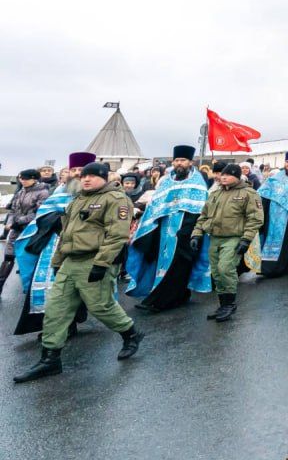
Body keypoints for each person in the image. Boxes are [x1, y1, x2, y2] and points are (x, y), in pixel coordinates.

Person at [14, 162, 144, 383]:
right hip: (70, 262)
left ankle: (130, 334)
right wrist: (57, 261)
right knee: (56, 308)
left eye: (93, 176)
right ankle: (50, 360)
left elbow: (117, 236)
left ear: (104, 178)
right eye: (84, 175)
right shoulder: (77, 200)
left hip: (94, 260)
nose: (86, 179)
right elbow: (66, 234)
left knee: (101, 307)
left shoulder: (116, 200)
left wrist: (101, 265)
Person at [125, 145, 211, 312]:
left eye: (183, 160)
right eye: (177, 160)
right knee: (162, 264)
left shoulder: (197, 182)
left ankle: (160, 301)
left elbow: (200, 210)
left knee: (179, 265)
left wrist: (189, 233)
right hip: (164, 232)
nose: (179, 163)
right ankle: (177, 295)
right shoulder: (166, 182)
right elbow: (154, 207)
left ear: (190, 162)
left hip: (186, 233)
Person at [192, 163, 264, 322]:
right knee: (217, 273)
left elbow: (255, 218)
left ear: (236, 177)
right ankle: (222, 304)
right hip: (215, 237)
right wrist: (196, 234)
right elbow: (203, 216)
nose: (223, 177)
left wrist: (246, 239)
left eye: (227, 175)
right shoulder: (215, 194)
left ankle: (230, 304)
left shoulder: (248, 194)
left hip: (234, 237)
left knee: (226, 269)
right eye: (222, 174)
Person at [2, 169, 51, 300]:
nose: (22, 180)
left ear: (34, 178)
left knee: (28, 261)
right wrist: (12, 222)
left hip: (31, 231)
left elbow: (39, 212)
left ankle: (31, 291)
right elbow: (13, 210)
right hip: (16, 229)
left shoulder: (43, 193)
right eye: (21, 178)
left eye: (25, 178)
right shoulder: (21, 191)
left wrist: (19, 222)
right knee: (8, 257)